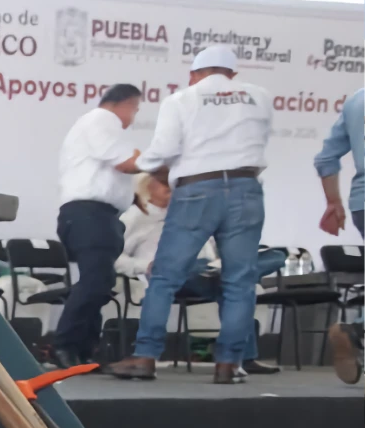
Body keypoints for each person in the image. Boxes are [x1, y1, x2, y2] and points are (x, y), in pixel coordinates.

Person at [103, 45, 273, 384]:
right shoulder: (260, 96)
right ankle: (229, 364)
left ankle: (146, 356)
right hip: (246, 188)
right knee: (240, 281)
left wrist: (139, 165)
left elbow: (164, 150)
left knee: (164, 276)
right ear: (233, 74)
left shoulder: (181, 99)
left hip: (197, 189)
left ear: (193, 75)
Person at [116, 170, 271, 376]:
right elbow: (115, 259)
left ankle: (243, 358)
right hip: (168, 275)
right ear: (147, 186)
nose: (171, 189)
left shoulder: (193, 212)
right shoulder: (135, 217)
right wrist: (146, 265)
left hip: (204, 271)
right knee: (232, 281)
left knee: (241, 282)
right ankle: (231, 362)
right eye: (164, 184)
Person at [51, 84, 143, 367]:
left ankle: (84, 349)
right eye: (135, 110)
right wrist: (161, 162)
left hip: (95, 216)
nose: (133, 118)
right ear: (125, 103)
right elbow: (125, 163)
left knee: (101, 282)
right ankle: (64, 346)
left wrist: (131, 196)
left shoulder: (94, 125)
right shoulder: (103, 119)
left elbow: (104, 174)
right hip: (89, 215)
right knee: (95, 281)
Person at [316, 87, 364, 384]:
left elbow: (326, 158)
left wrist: (333, 202)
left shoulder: (357, 100)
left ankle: (358, 329)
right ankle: (357, 329)